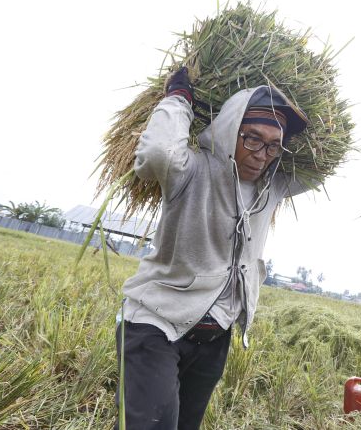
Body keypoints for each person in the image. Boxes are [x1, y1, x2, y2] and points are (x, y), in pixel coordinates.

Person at [115, 66, 311, 429]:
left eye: (272, 145)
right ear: (228, 130)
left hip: (214, 334)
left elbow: (319, 167)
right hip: (156, 325)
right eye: (251, 138)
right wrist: (179, 99)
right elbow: (157, 150)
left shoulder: (274, 187)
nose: (261, 154)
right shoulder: (190, 170)